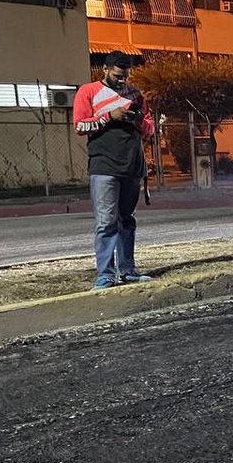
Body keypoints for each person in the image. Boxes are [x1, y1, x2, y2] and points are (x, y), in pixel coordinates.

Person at [73, 51, 156, 290]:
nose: (122, 80)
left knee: (126, 221)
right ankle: (106, 275)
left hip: (132, 166)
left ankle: (127, 270)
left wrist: (138, 120)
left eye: (126, 76)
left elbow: (149, 128)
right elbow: (80, 125)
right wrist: (110, 115)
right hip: (104, 166)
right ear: (106, 70)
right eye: (118, 75)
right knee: (106, 223)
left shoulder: (136, 95)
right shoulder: (88, 92)